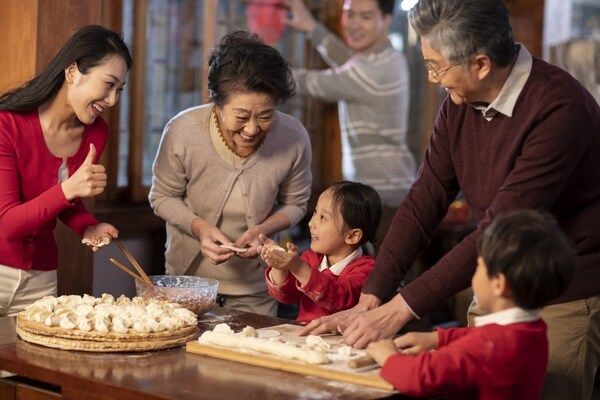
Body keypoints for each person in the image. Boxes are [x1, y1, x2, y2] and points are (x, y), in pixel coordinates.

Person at [303, 1, 600, 399]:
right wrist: (372, 297)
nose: (431, 78)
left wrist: (399, 310)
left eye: (436, 66)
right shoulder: (459, 102)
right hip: (498, 281)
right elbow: (425, 198)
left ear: (480, 64)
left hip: (561, 292)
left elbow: (500, 226)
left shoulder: (559, 108)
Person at [149, 31, 312, 317]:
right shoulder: (184, 130)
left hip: (258, 286)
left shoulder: (293, 137)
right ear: (217, 103)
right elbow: (162, 196)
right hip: (187, 283)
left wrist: (263, 229)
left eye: (265, 116)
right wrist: (199, 227)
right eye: (241, 117)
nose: (251, 129)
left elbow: (297, 203)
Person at [367, 210, 575, 399]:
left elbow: (419, 377)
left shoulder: (487, 346)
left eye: (479, 266)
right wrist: (438, 337)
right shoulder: (533, 329)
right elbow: (483, 337)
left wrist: (389, 357)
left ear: (499, 284)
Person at [0, 25, 132, 316]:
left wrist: (87, 225)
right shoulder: (6, 125)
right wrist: (70, 188)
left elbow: (60, 202)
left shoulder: (96, 132)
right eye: (108, 84)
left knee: (32, 361)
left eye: (119, 90)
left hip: (42, 279)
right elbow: (7, 225)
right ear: (73, 72)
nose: (112, 100)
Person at [286, 0, 415, 246]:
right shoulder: (381, 59)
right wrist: (311, 27)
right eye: (349, 14)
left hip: (383, 199)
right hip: (381, 193)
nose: (354, 24)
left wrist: (260, 68)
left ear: (386, 20)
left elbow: (314, 83)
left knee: (380, 281)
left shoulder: (378, 69)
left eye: (365, 16)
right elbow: (347, 61)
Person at [259, 181, 381, 323]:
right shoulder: (310, 259)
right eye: (315, 212)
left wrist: (297, 267)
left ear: (352, 236)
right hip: (305, 337)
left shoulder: (367, 269)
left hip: (342, 342)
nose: (311, 223)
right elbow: (286, 296)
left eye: (323, 218)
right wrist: (279, 266)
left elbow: (338, 298)